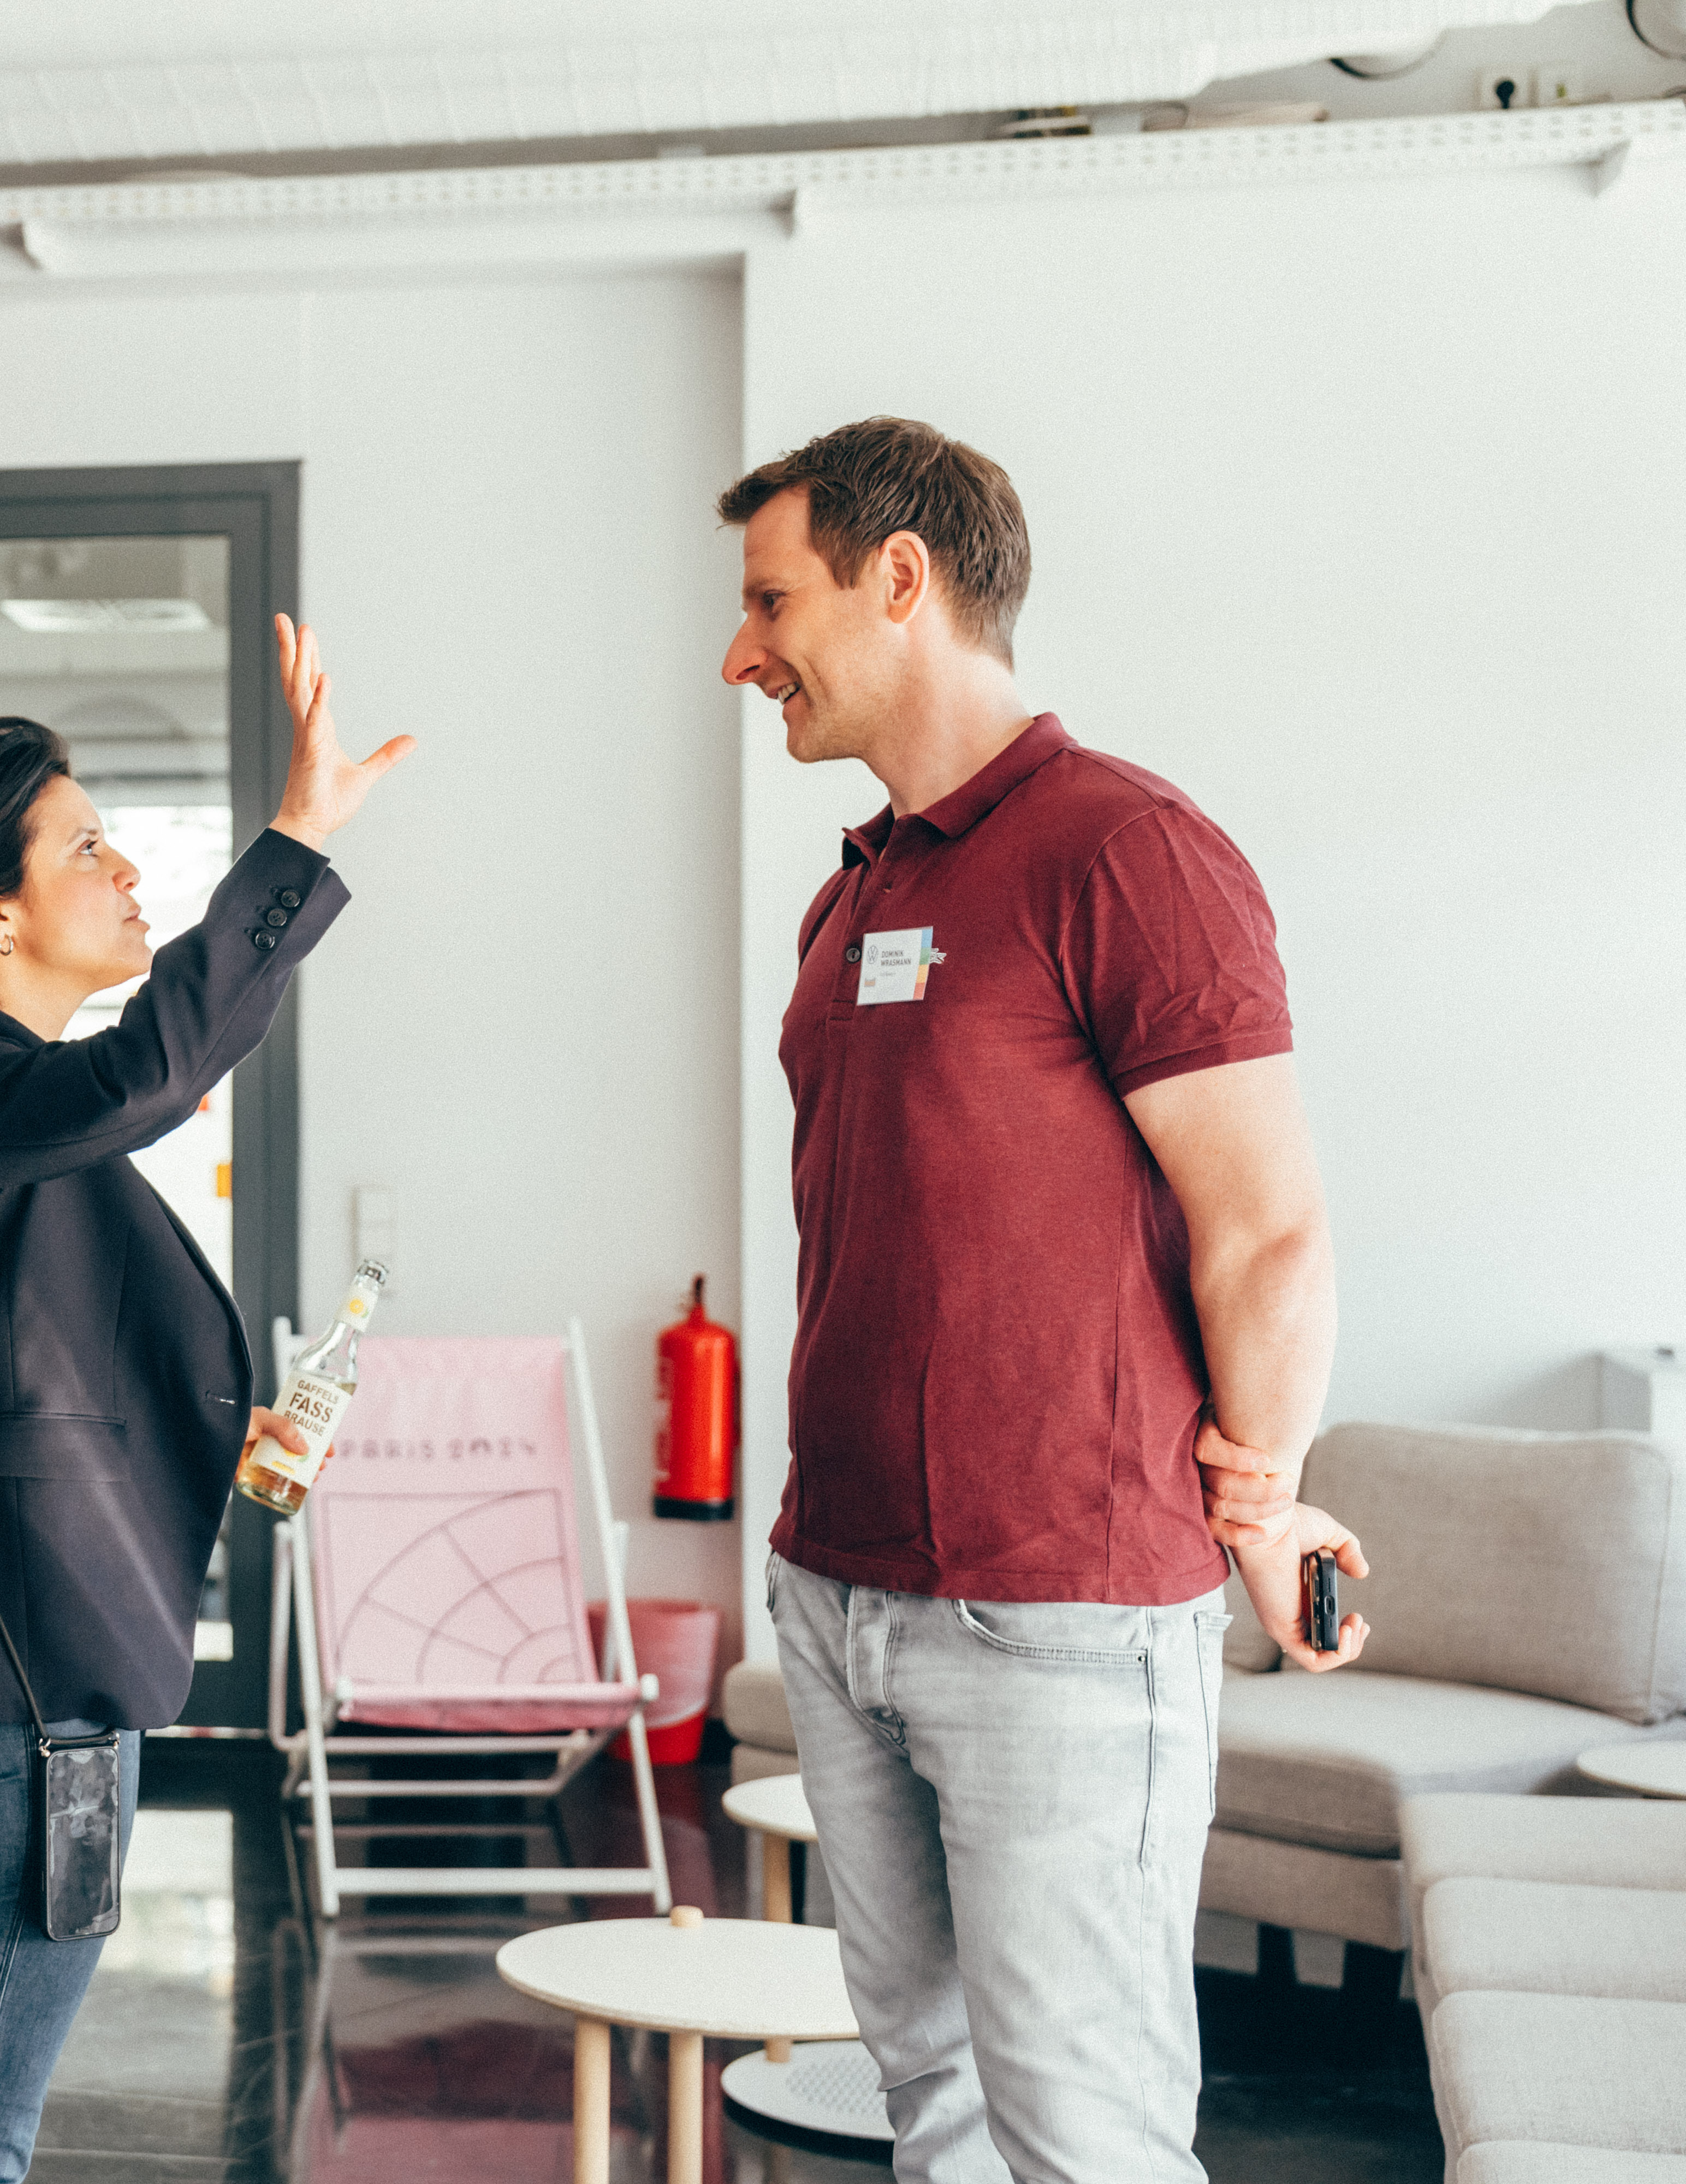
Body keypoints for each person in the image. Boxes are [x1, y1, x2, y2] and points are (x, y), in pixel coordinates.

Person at [716, 417, 1370, 2183]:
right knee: (927, 2101)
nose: (743, 653)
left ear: (899, 579)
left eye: (772, 602)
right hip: (840, 1587)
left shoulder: (1126, 851)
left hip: (1060, 1618)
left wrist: (1265, 1498)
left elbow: (1267, 1230)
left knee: (1083, 2132)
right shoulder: (857, 893)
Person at [0, 617, 409, 2183]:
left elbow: (29, 1361)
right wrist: (297, 837)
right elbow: (155, 1076)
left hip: (30, 1663)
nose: (128, 870)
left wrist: (223, 1424)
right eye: (85, 846)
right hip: (9, 1673)